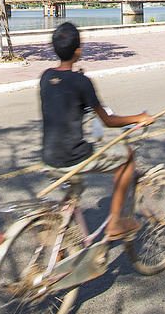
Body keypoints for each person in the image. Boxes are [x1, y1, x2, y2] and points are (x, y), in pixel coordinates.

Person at [40, 22, 154, 241]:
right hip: (73, 156)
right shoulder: (82, 82)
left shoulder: (45, 77)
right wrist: (140, 117)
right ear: (78, 51)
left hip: (48, 156)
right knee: (127, 160)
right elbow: (108, 121)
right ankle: (115, 223)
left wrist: (76, 81)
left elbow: (63, 94)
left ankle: (64, 238)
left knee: (75, 192)